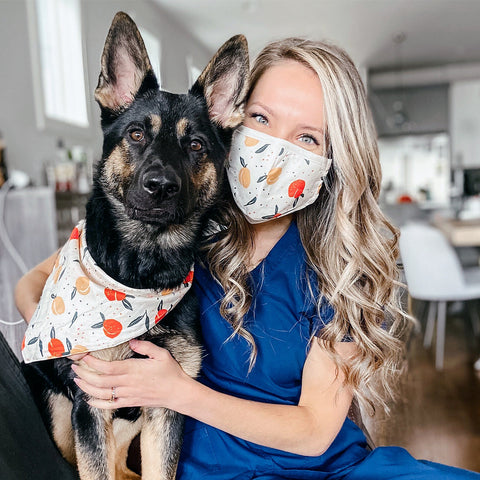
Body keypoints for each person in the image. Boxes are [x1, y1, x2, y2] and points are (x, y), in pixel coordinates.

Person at [14, 38, 480, 479]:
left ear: (333, 158)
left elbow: (316, 431)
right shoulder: (178, 222)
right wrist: (81, 345)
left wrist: (176, 391)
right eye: (261, 118)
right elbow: (32, 287)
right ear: (231, 118)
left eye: (309, 138)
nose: (277, 148)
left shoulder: (340, 268)